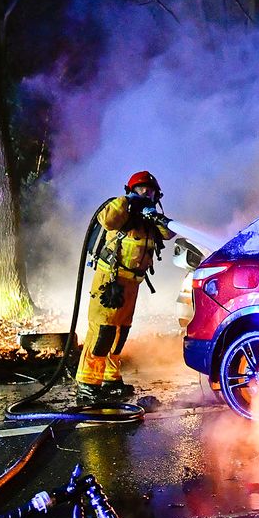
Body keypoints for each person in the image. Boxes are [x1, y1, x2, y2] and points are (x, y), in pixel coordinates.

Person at [76, 171, 174, 405]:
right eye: (141, 190)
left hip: (132, 284)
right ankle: (87, 383)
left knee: (120, 333)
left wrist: (156, 217)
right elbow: (107, 220)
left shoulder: (148, 220)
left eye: (150, 191)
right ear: (131, 191)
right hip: (110, 282)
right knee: (102, 331)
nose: (146, 194)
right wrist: (128, 201)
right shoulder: (121, 212)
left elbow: (168, 233)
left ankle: (110, 379)